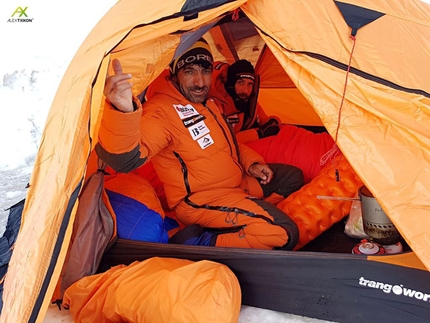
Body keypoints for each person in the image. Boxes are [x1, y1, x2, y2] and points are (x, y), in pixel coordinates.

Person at [96, 38, 304, 250]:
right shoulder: (161, 110)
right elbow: (124, 161)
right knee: (284, 233)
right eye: (189, 71)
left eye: (205, 71)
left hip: (237, 184)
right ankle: (201, 241)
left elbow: (228, 144)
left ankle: (246, 217)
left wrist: (251, 163)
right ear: (175, 74)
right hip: (202, 200)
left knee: (292, 177)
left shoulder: (209, 103)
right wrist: (123, 111)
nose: (200, 82)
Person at [210, 59, 281, 143]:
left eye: (250, 84)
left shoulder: (248, 101)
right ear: (232, 84)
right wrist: (258, 134)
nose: (245, 90)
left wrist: (274, 121)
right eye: (241, 82)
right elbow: (221, 142)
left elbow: (264, 119)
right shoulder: (214, 103)